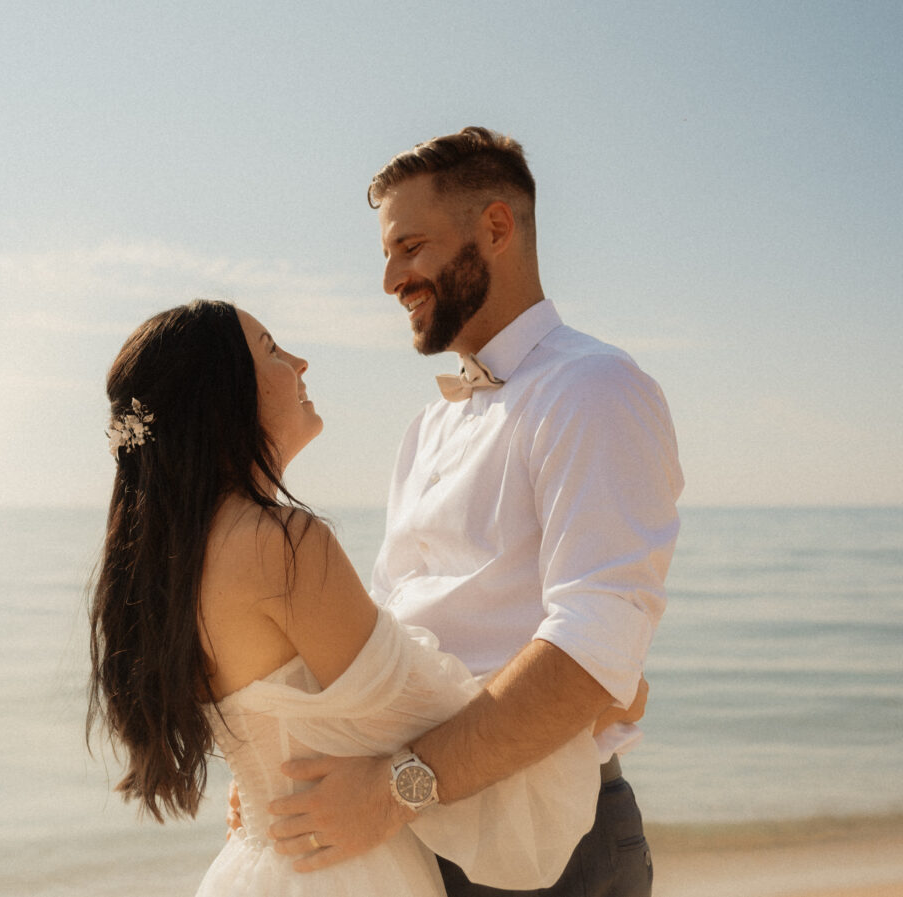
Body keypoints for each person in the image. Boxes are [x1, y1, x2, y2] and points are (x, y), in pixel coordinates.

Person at [87, 299, 647, 897]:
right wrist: (594, 700)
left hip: (259, 863)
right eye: (272, 350)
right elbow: (426, 715)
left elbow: (289, 718)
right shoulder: (281, 544)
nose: (300, 362)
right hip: (344, 871)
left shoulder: (173, 557)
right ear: (220, 395)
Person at [265, 127, 683, 897]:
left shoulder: (593, 389)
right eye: (387, 255)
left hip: (546, 847)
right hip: (422, 837)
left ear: (496, 227)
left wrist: (393, 791)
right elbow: (394, 636)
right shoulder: (427, 427)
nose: (391, 278)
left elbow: (593, 647)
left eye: (410, 246)